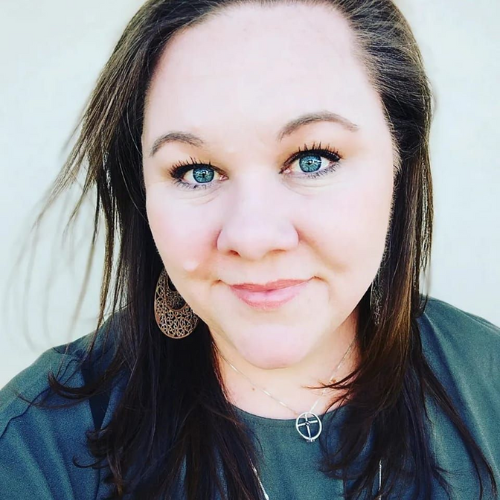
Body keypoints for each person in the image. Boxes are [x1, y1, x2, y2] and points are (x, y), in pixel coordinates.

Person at [0, 0, 499, 498]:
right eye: (196, 172)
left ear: (399, 161)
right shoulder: (32, 452)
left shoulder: (487, 376)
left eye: (312, 159)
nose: (252, 238)